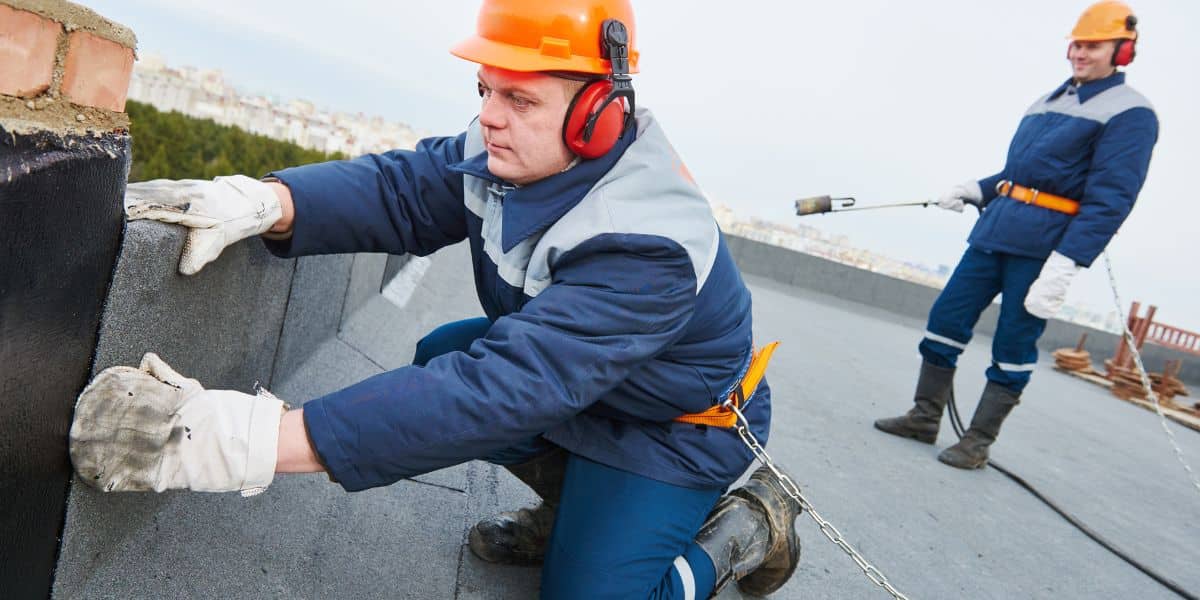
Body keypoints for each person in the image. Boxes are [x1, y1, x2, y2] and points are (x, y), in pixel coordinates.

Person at [67, 1, 803, 597]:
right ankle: (573, 509)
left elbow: (503, 389)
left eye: (518, 97)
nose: (489, 115)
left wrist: (240, 441)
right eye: (485, 89)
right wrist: (264, 200)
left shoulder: (650, 244)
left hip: (674, 427)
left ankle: (742, 528)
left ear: (598, 113)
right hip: (587, 390)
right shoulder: (511, 149)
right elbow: (403, 190)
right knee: (439, 355)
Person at [874, 0, 1158, 469]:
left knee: (1014, 342)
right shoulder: (1049, 101)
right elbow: (1020, 174)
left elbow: (1111, 198)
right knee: (946, 319)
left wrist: (1068, 263)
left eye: (1093, 45)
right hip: (996, 230)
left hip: (1045, 247)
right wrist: (976, 190)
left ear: (1122, 50)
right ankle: (925, 417)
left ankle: (977, 442)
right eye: (1077, 44)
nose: (1080, 53)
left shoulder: (1130, 113)